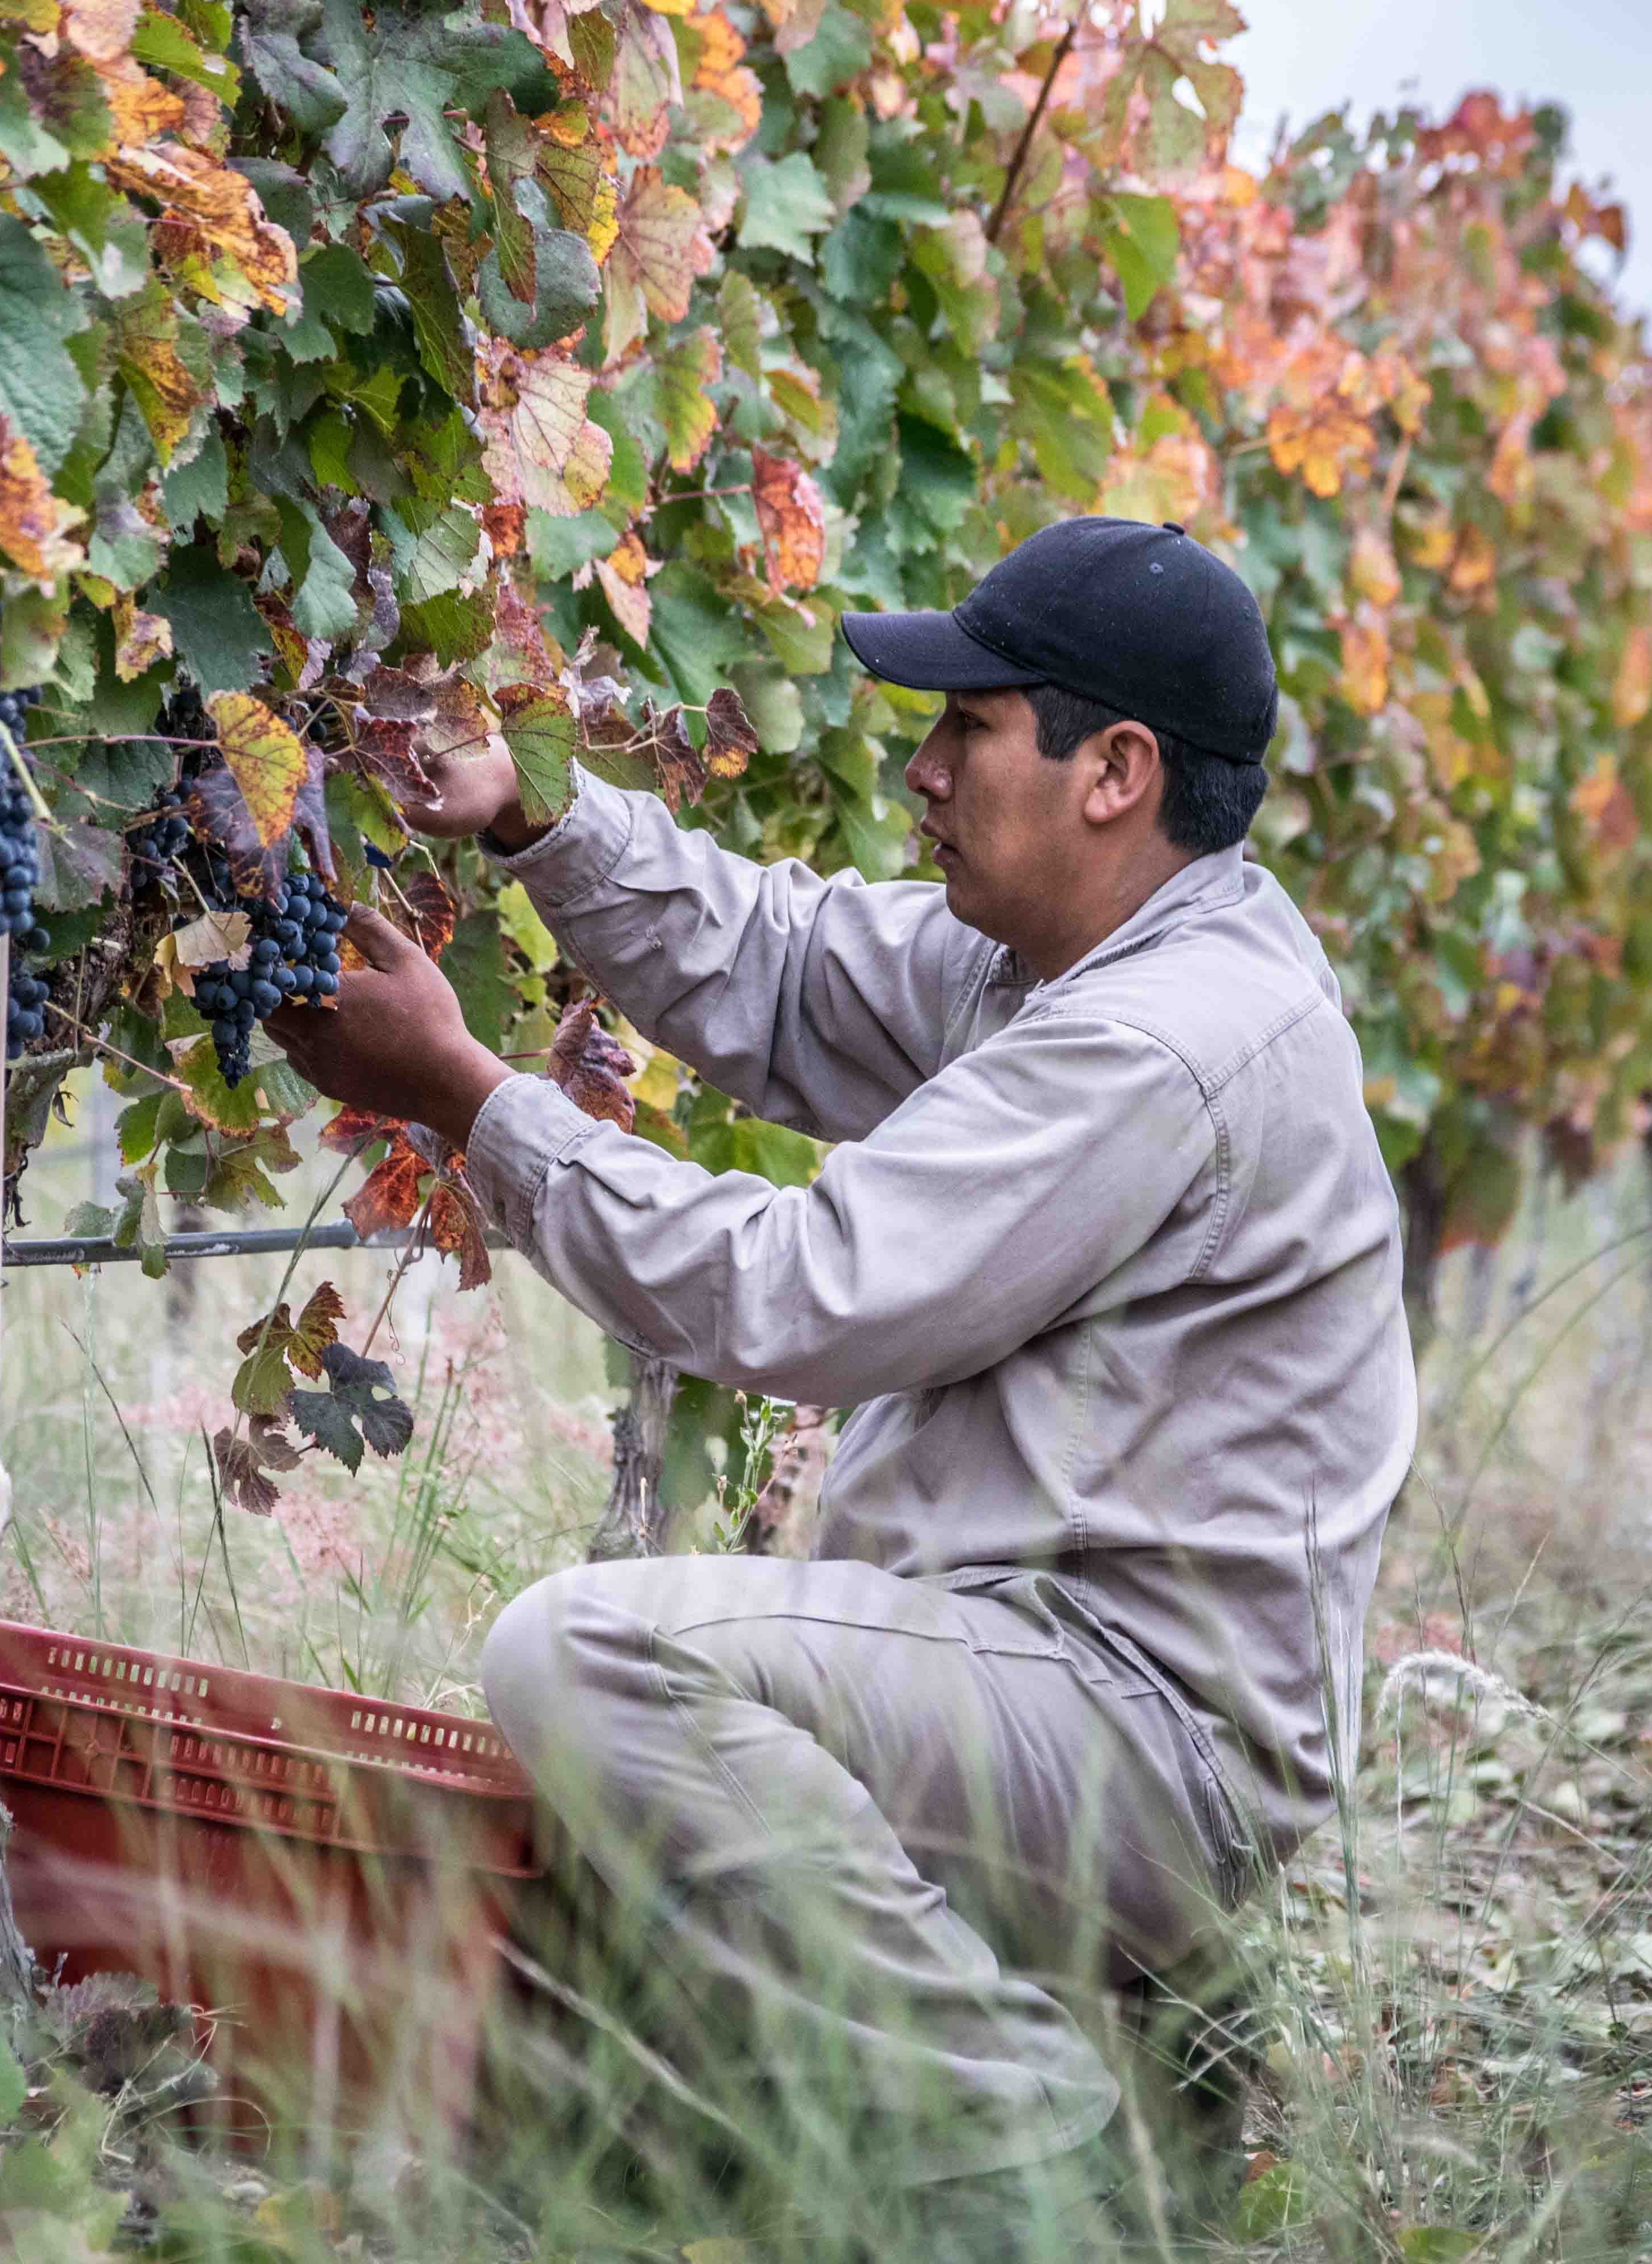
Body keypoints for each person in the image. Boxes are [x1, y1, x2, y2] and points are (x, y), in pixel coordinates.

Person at [264, 517, 1417, 2240]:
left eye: (970, 726)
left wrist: (468, 1098)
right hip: (1034, 1686)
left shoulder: (1157, 1039)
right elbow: (785, 966)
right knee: (624, 1975)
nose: (924, 764)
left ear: (1116, 771)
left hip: (1136, 1748)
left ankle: (1014, 2147)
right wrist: (535, 813)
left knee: (592, 1658)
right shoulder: (1070, 958)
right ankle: (1050, 2077)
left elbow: (800, 1296)